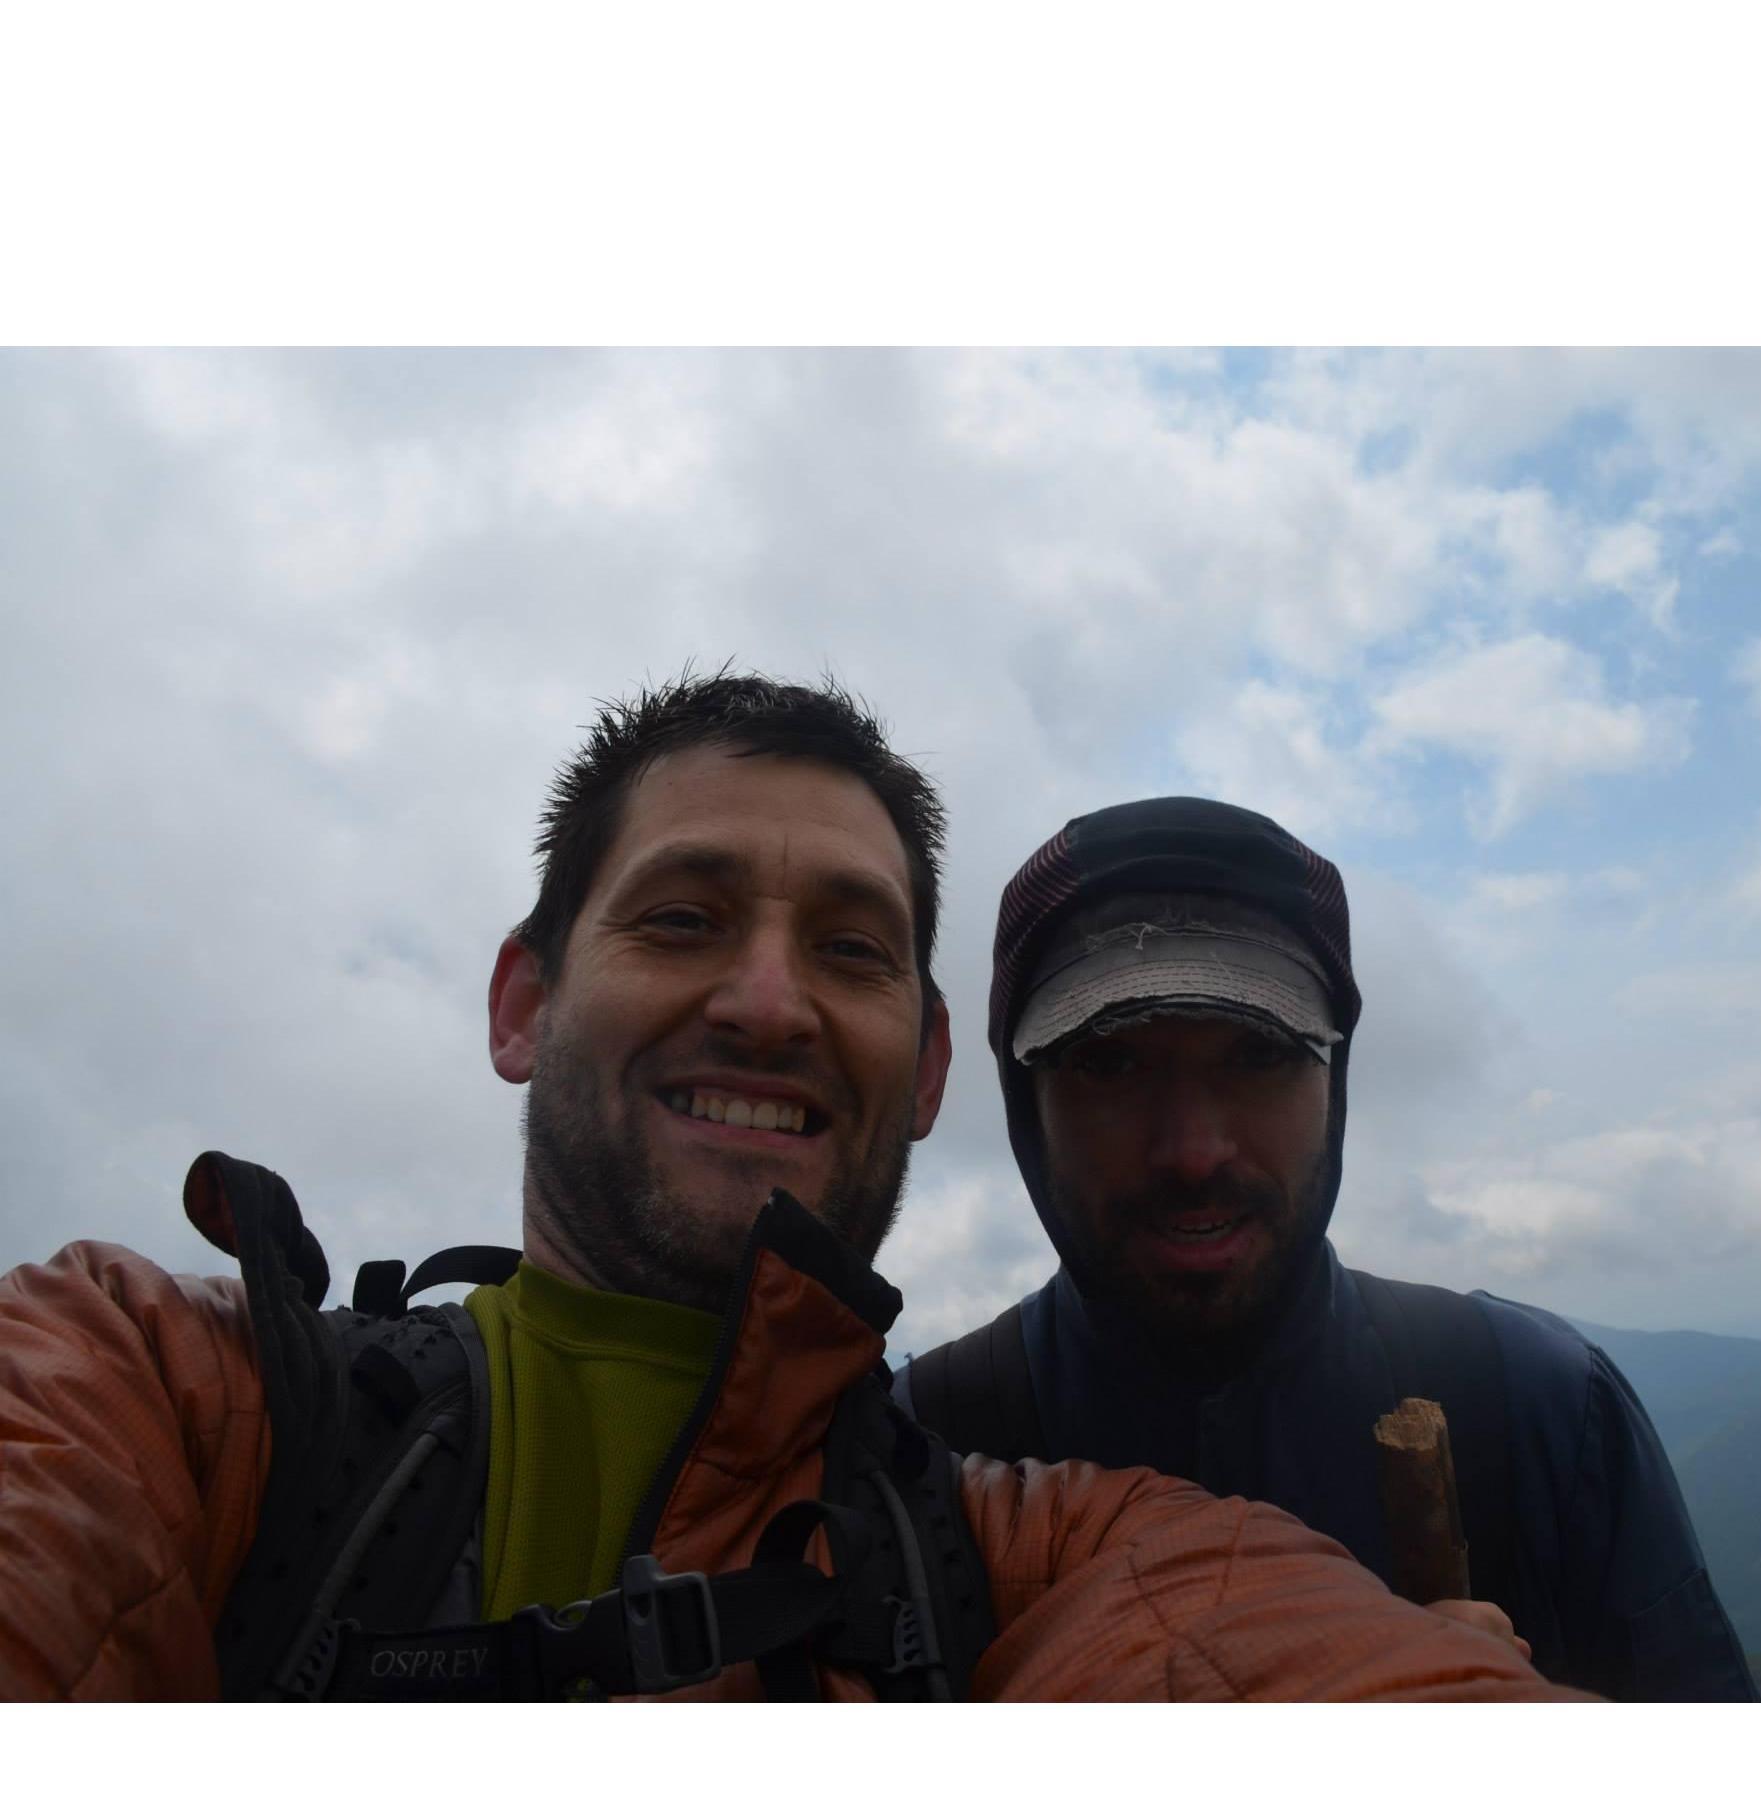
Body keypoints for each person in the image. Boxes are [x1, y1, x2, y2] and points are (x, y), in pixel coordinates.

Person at [0, 674, 1576, 1703]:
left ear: (932, 1066)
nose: (769, 1000)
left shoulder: (1050, 1548)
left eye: (850, 947)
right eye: (681, 920)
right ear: (520, 1004)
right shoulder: (162, 1398)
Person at [898, 794, 1757, 1701]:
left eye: (1260, 1053)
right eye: (1110, 1062)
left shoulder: (1541, 1412)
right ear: (1022, 1106)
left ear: (1335, 1079)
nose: (1195, 1149)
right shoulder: (921, 1453)